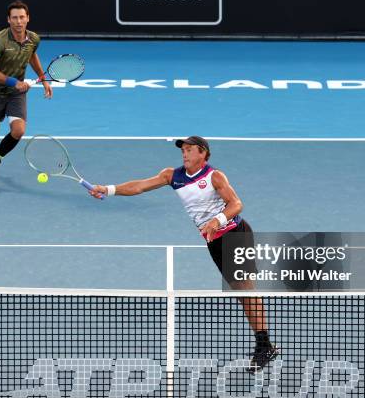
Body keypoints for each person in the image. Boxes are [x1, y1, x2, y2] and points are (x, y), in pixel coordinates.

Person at [89, 136, 279, 372]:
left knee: (245, 290)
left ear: (203, 154)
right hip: (214, 241)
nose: (184, 154)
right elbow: (139, 186)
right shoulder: (172, 175)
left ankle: (264, 345)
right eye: (183, 150)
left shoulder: (214, 176)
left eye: (190, 150)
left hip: (234, 233)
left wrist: (215, 220)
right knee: (240, 294)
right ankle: (265, 344)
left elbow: (236, 204)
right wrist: (107, 189)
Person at [0, 0, 53, 184]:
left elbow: (32, 56)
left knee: (18, 130)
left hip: (16, 94)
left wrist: (43, 80)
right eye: (15, 18)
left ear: (28, 18)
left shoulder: (34, 39)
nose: (19, 21)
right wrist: (14, 82)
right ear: (8, 20)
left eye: (22, 17)